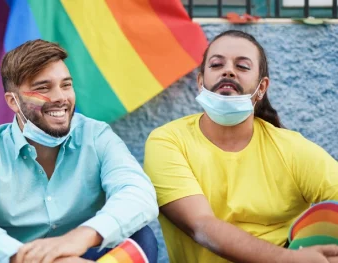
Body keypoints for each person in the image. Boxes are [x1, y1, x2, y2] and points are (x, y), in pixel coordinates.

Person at [0, 39, 159, 263]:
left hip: (83, 254)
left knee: (140, 237)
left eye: (66, 85)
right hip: (15, 259)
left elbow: (138, 193)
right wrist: (31, 258)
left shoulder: (97, 136)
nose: (60, 98)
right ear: (13, 102)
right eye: (43, 88)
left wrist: (76, 240)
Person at [144, 30, 338, 263]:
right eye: (216, 64)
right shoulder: (168, 141)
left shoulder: (291, 149)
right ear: (200, 82)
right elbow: (201, 225)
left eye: (242, 66)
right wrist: (288, 260)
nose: (228, 71)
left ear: (262, 88)